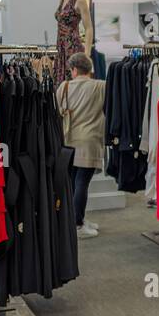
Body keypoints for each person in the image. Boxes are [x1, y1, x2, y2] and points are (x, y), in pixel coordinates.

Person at [56, 52, 107, 238]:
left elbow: (56, 110)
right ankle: (77, 224)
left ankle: (76, 219)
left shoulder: (65, 86)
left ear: (74, 69)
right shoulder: (101, 86)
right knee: (82, 183)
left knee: (72, 183)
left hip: (69, 141)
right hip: (90, 141)